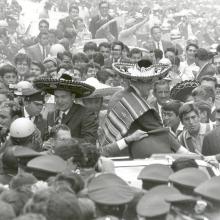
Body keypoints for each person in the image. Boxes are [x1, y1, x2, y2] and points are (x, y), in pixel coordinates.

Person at [100, 59, 189, 158]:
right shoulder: (133, 101)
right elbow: (158, 129)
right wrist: (185, 153)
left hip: (115, 153)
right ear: (139, 82)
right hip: (127, 157)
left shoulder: (120, 95)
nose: (151, 86)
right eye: (150, 82)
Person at [34, 75, 98, 144]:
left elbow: (90, 141)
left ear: (73, 97)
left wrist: (65, 141)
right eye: (56, 97)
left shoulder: (85, 114)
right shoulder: (51, 115)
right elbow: (46, 138)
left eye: (63, 97)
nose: (59, 101)